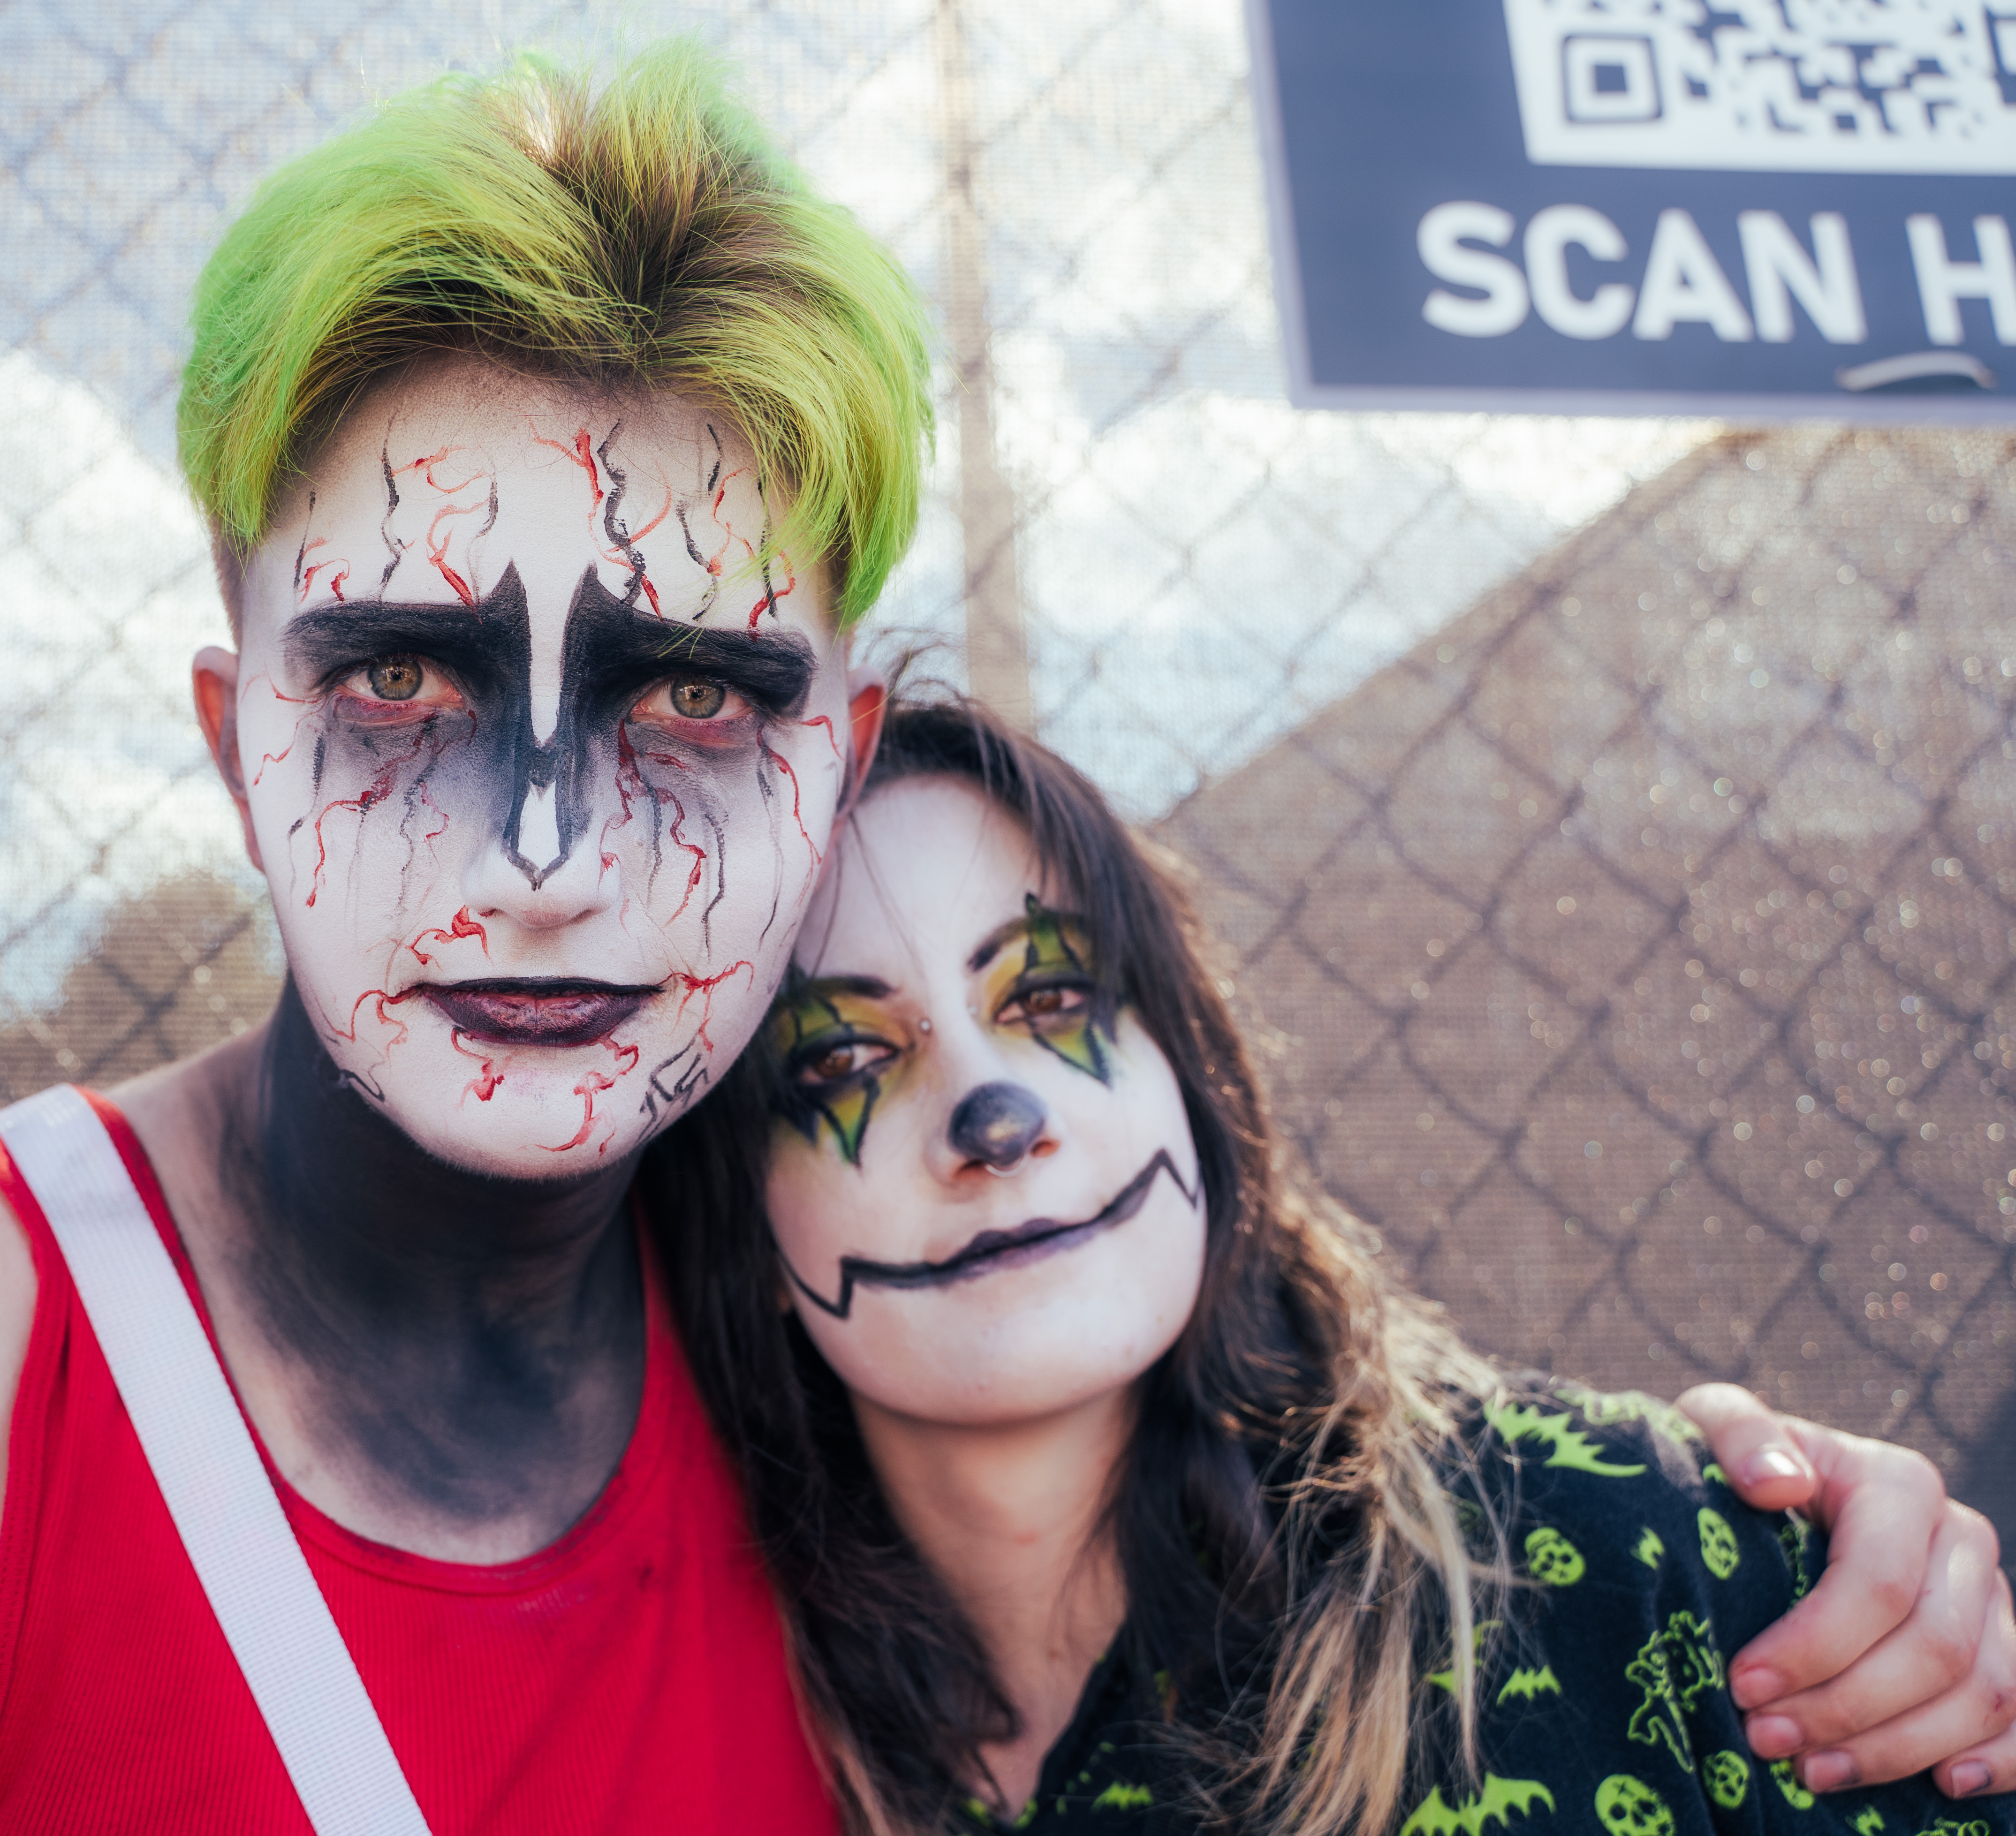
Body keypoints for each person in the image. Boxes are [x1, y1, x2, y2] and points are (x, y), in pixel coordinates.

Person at [0, 46, 2015, 1835]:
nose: (539, 848)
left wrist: (1773, 1542)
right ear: (231, 732)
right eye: (401, 677)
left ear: (836, 755)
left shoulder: (863, 1377)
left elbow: (1342, 1481)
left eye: (687, 698)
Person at [642, 694, 2016, 1835]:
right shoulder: (683, 1731)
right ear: (738, 1226)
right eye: (838, 1059)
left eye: (1053, 998)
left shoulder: (1641, 1559)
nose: (1001, 1119)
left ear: (1190, 1072)